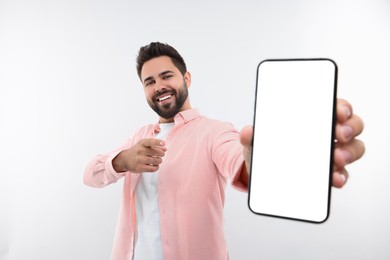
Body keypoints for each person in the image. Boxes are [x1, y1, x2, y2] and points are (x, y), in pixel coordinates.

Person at [84, 42, 365, 260]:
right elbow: (91, 175)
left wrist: (273, 160)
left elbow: (240, 161)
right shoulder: (139, 136)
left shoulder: (215, 132)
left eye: (166, 76)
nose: (159, 87)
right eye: (150, 82)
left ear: (187, 78)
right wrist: (123, 160)